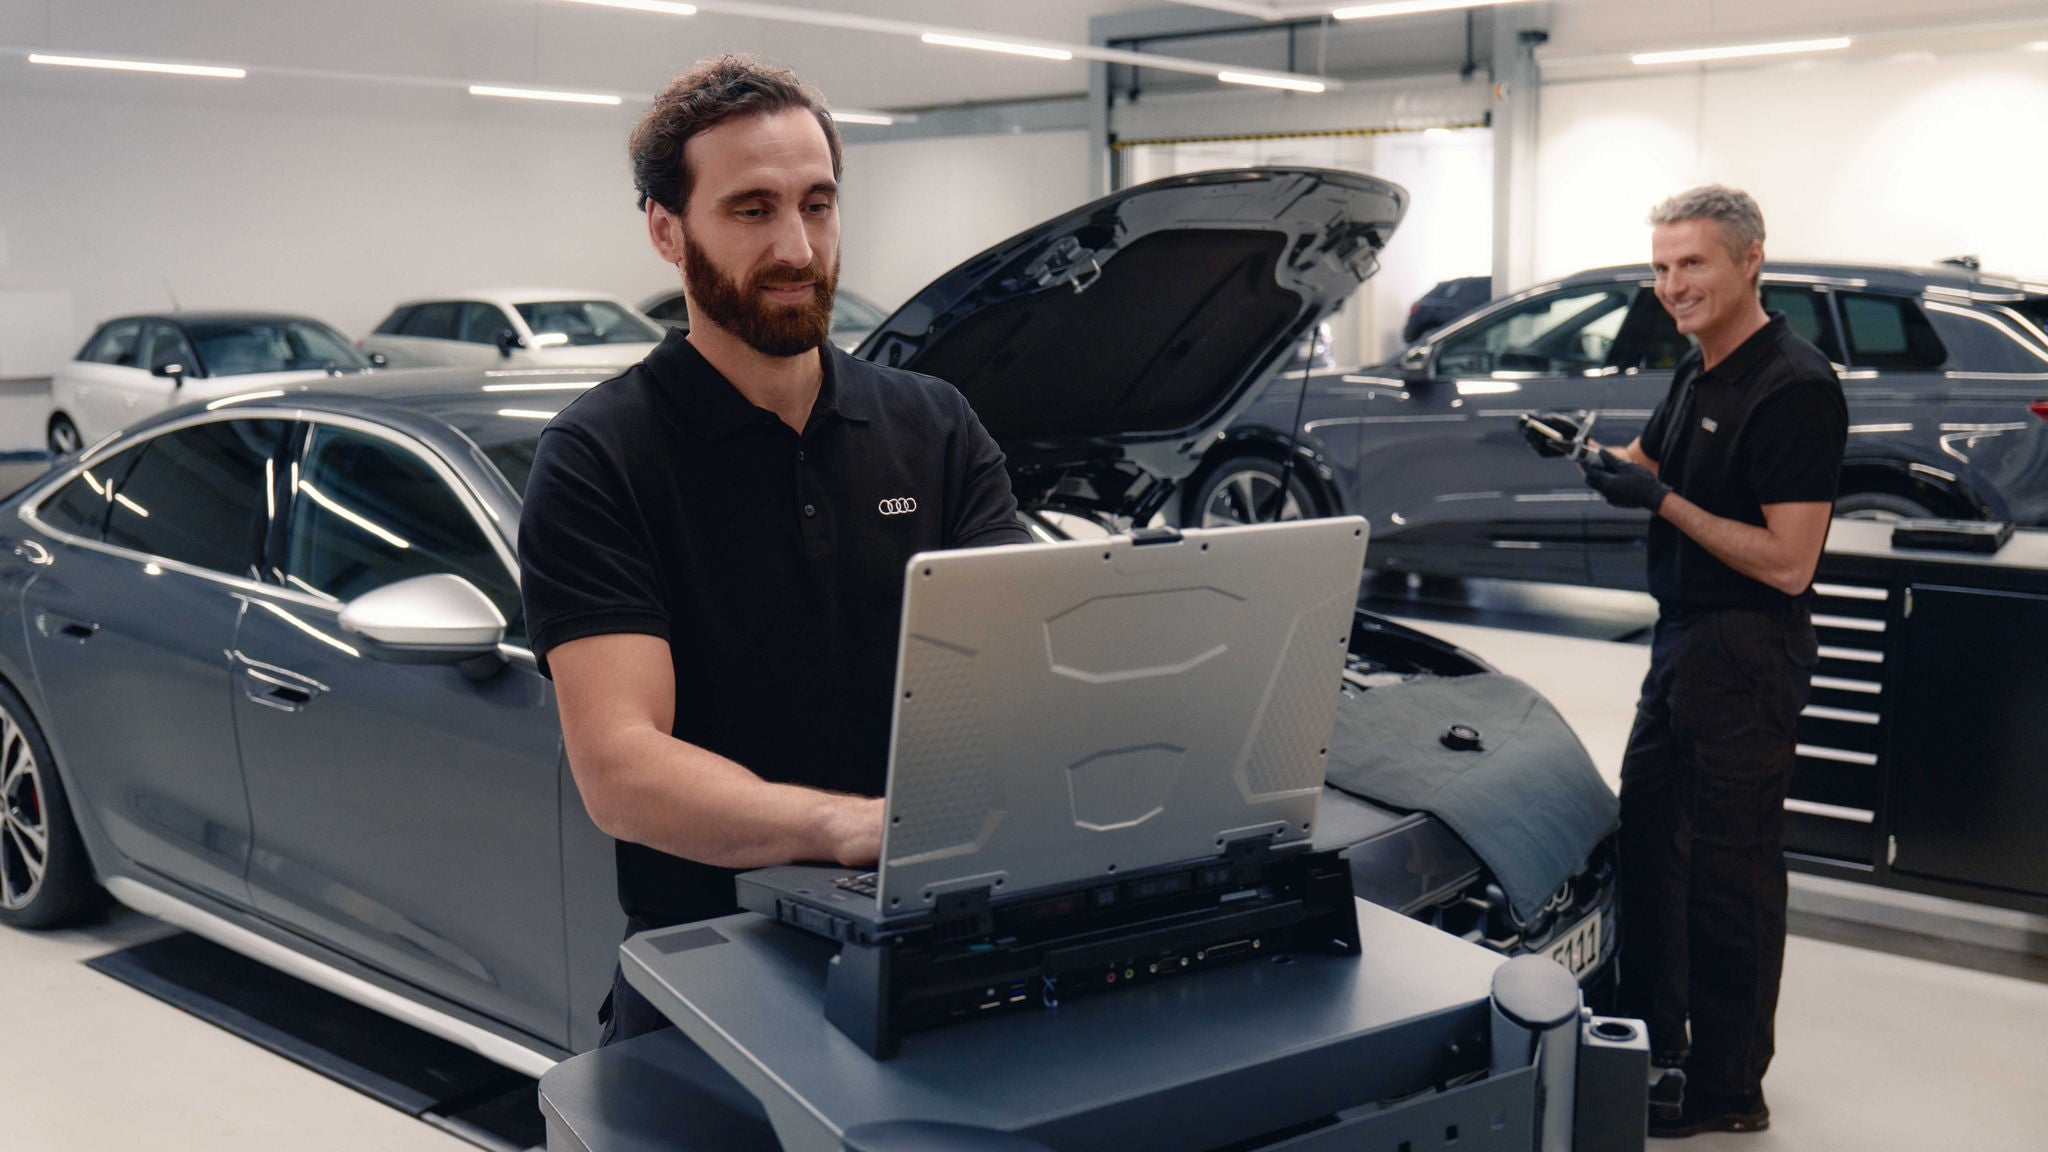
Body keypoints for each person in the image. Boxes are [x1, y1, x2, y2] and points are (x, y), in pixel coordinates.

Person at [517, 55, 1030, 1046]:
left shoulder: (933, 425)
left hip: (943, 949)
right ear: (667, 230)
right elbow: (622, 766)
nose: (797, 247)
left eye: (817, 205)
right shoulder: (599, 457)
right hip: (711, 979)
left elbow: (1021, 669)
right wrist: (845, 828)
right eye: (751, 210)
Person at [1574, 185, 1846, 1137]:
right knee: (1652, 844)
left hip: (1747, 651)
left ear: (1750, 259)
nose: (1672, 285)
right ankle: (1660, 1051)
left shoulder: (1793, 387)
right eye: (1660, 267)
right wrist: (1600, 462)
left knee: (1731, 873)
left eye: (1691, 263)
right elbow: (1651, 462)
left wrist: (1660, 504)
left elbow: (1790, 561)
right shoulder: (1700, 369)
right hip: (1683, 641)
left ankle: (1731, 1090)